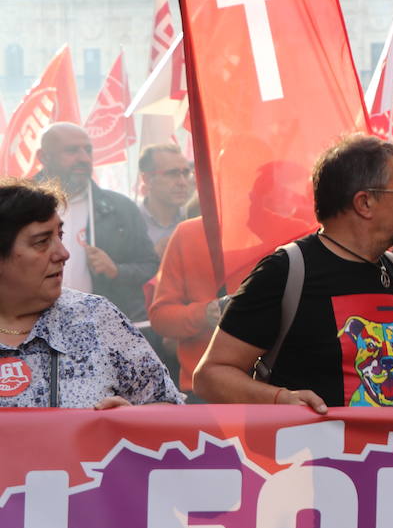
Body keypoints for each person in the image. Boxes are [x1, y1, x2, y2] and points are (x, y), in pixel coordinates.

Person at [195, 135, 393, 410]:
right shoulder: (285, 272)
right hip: (314, 454)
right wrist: (281, 399)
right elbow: (210, 375)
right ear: (365, 203)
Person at [0, 178, 182, 408]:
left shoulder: (96, 317)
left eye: (60, 236)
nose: (63, 253)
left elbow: (168, 406)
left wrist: (135, 419)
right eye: (42, 242)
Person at [34, 122, 159, 323]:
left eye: (88, 150)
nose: (83, 158)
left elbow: (149, 264)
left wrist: (117, 271)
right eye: (72, 151)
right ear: (44, 157)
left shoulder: (120, 208)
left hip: (99, 327)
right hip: (32, 326)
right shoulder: (16, 206)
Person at [147, 216, 258, 396]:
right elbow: (161, 317)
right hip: (204, 388)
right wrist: (205, 313)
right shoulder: (187, 233)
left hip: (269, 387)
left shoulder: (289, 230)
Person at [138, 143, 193, 257]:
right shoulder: (130, 224)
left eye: (186, 173)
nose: (182, 182)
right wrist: (152, 257)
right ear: (147, 179)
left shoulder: (193, 218)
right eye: (172, 174)